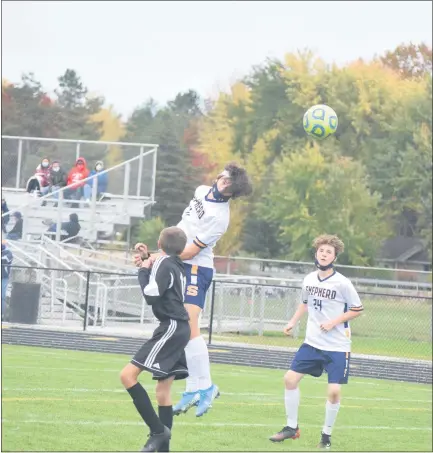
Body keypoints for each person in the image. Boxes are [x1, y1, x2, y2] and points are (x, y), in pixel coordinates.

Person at [135, 162, 252, 417]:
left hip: (196, 268)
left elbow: (189, 251)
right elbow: (182, 230)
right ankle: (193, 389)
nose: (225, 183)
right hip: (179, 262)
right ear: (221, 175)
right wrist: (158, 254)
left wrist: (156, 257)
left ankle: (206, 387)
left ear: (234, 192)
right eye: (226, 178)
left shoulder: (220, 218)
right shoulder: (200, 190)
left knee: (189, 326)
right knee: (183, 329)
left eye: (231, 184)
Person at [268, 234, 364, 449]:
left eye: (328, 252)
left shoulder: (343, 283)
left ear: (334, 257)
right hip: (312, 343)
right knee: (290, 379)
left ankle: (326, 436)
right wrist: (292, 322)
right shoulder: (309, 279)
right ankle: (291, 428)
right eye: (321, 251)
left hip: (337, 347)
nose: (324, 254)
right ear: (316, 254)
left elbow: (357, 309)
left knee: (334, 392)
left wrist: (333, 322)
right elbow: (305, 304)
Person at [120, 227, 190, 452]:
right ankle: (164, 450)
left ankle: (158, 432)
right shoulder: (176, 263)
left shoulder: (163, 263)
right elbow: (162, 270)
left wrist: (142, 269)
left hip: (171, 326)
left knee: (127, 376)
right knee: (163, 391)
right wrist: (148, 259)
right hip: (180, 328)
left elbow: (152, 295)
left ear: (160, 244)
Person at [1, 241, 13, 321]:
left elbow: (4, 259)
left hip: (3, 277)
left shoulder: (8, 252)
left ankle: (2, 315)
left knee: (2, 296)